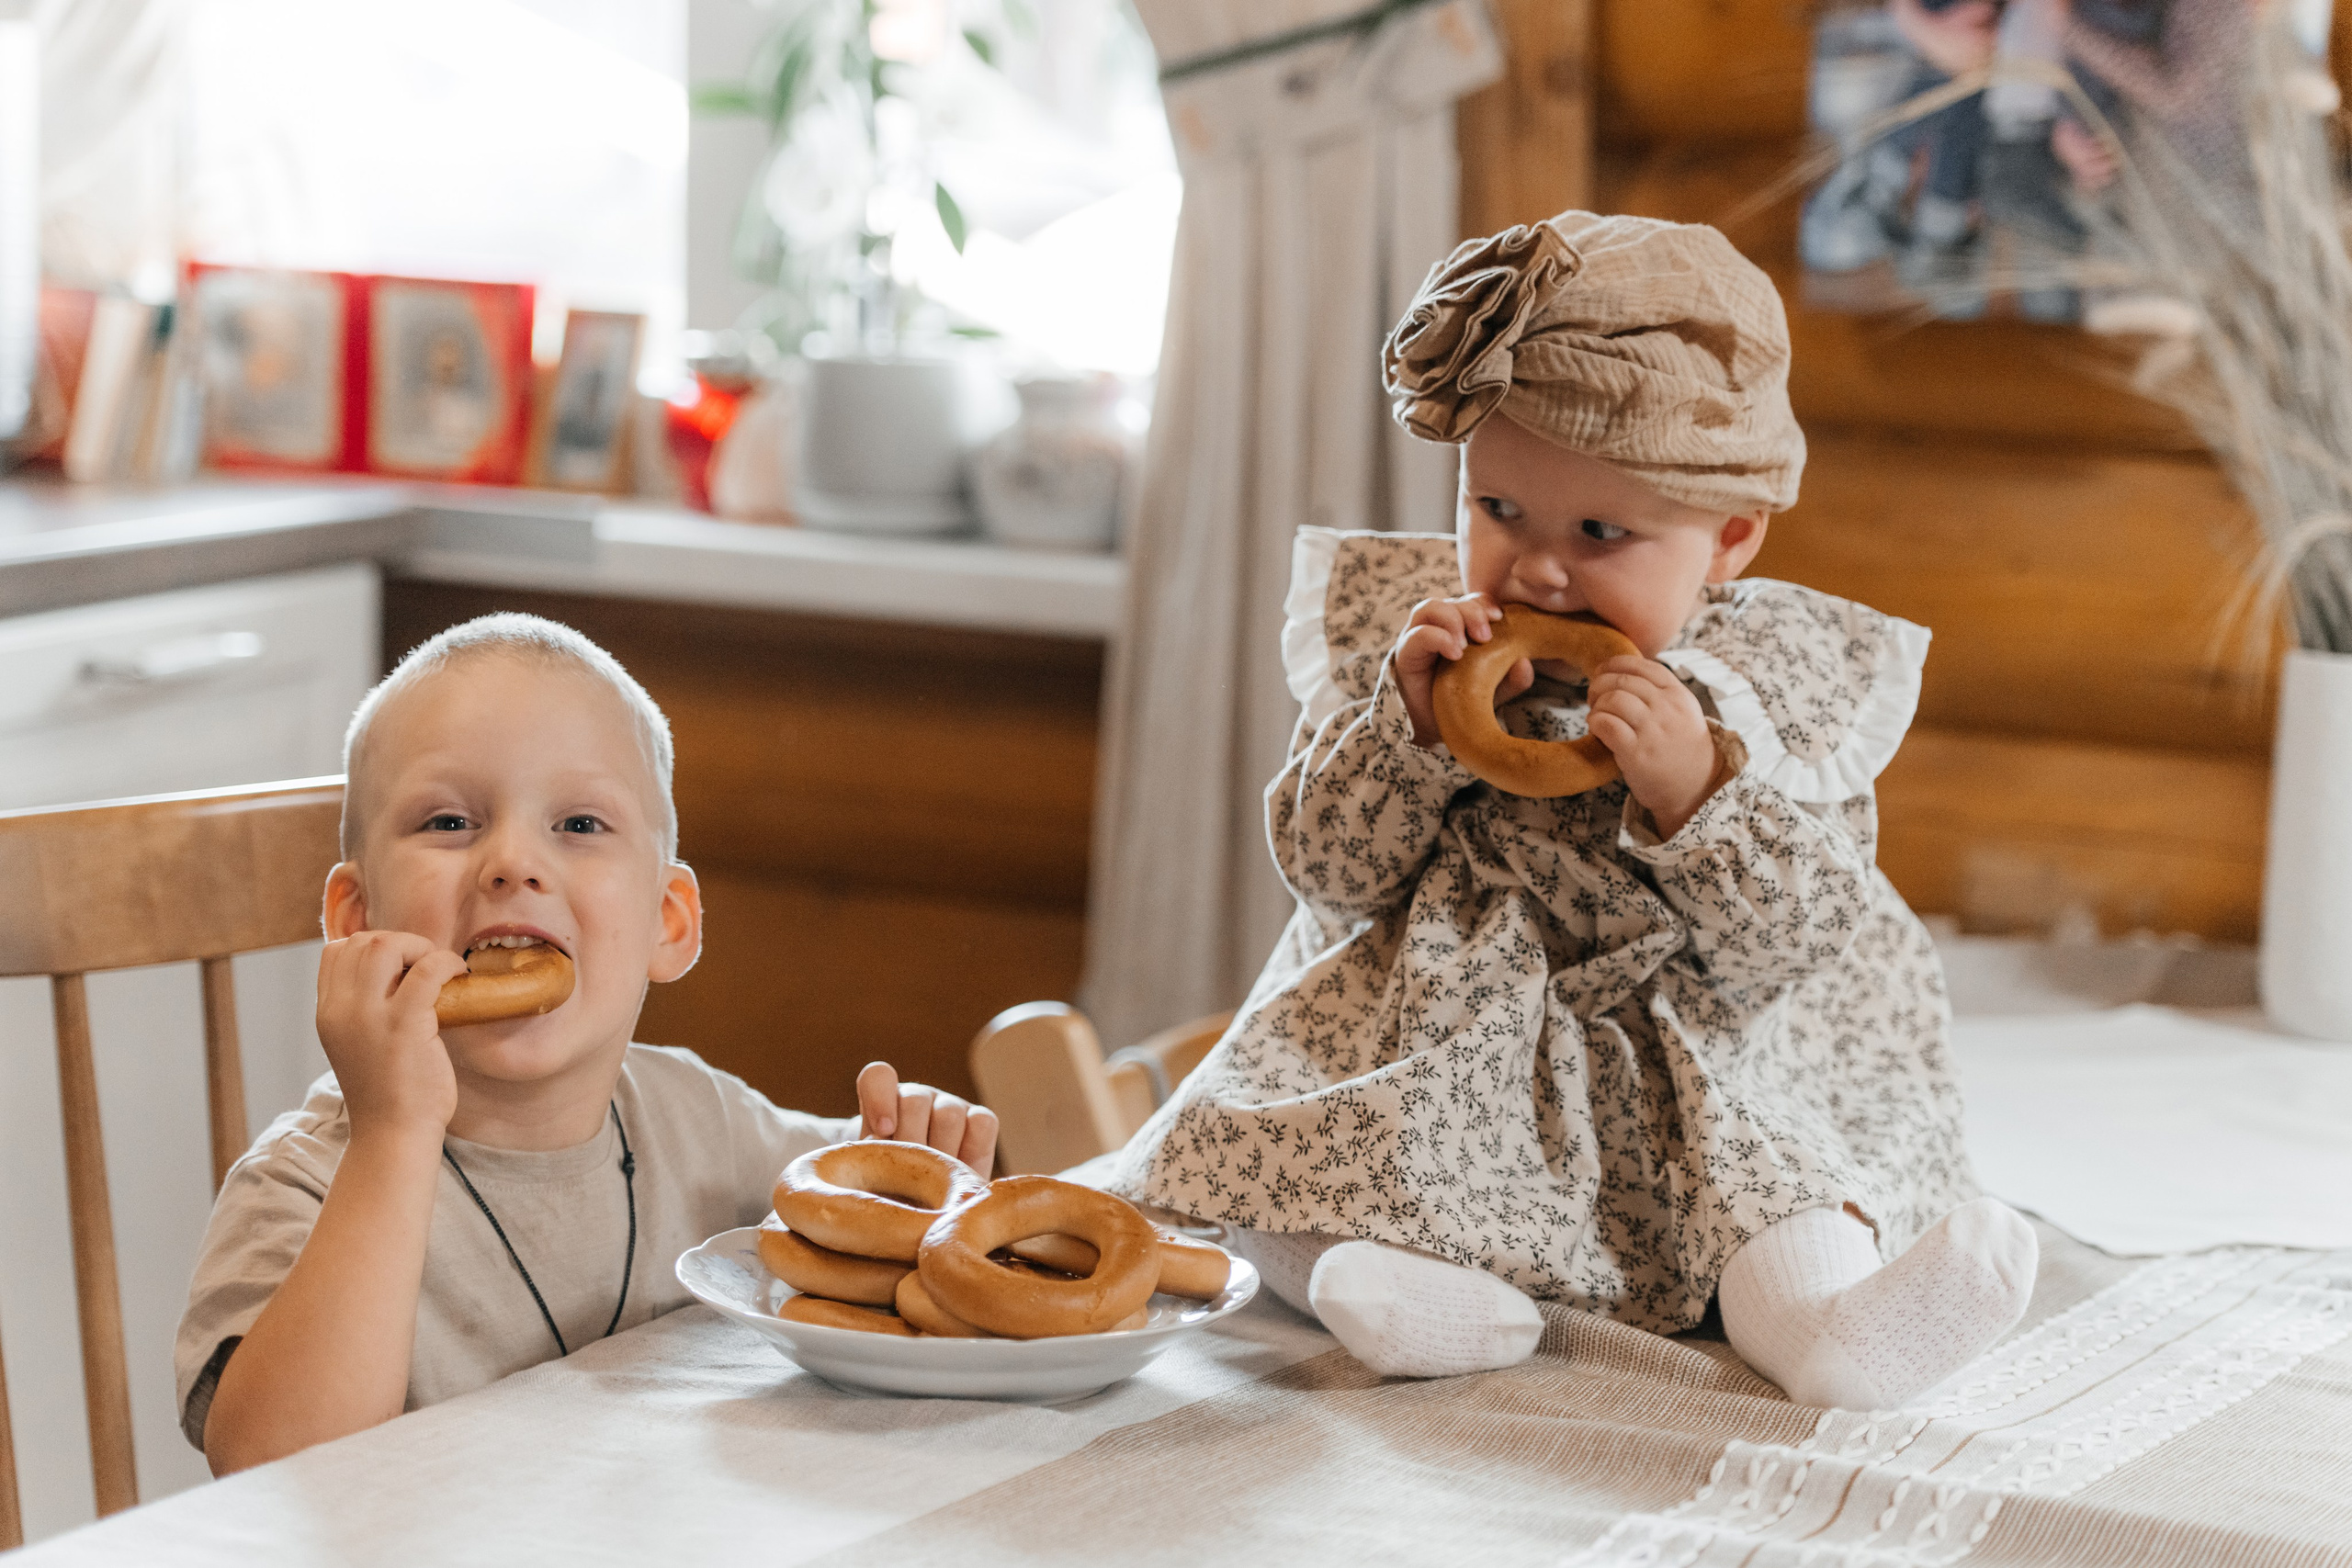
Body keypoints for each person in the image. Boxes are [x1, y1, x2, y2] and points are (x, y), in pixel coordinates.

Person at [1103, 213, 2038, 1410]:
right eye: (1499, 509)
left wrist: (1699, 792)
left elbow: (1803, 936)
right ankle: (1405, 1288)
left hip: (1688, 1058)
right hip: (1448, 1038)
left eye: (1602, 533)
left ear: (1729, 539)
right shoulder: (1416, 653)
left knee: (1767, 1185)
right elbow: (1325, 869)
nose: (1539, 569)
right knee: (1298, 1158)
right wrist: (1409, 734)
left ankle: (1827, 1327)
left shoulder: (1769, 689)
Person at [178, 614, 997, 1473]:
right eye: (450, 823)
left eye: (578, 824)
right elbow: (275, 1472)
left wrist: (913, 1151)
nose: (512, 862)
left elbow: (879, 1219)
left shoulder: (704, 1123)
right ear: (357, 921)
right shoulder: (301, 1187)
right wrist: (394, 1130)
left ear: (667, 923)